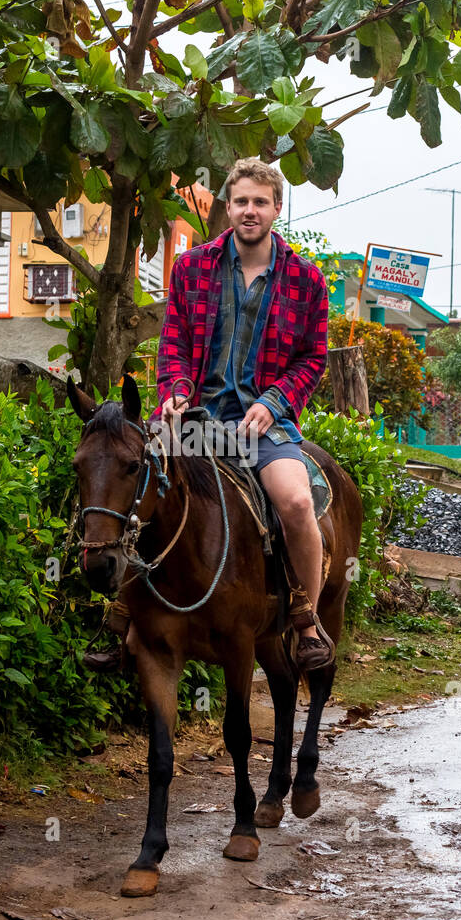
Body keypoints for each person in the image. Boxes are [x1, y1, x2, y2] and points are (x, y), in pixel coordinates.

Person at [155, 158, 335, 670]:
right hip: (195, 424)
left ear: (277, 208)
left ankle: (306, 620)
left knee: (298, 504)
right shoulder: (191, 268)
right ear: (227, 207)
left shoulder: (307, 280)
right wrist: (176, 391)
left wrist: (272, 402)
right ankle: (122, 614)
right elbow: (174, 343)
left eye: (260, 201)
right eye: (241, 201)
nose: (249, 210)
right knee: (133, 482)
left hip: (262, 427)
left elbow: (312, 359)